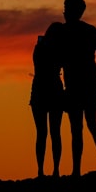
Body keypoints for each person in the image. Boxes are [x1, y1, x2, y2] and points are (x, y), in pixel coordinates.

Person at [58, 0, 96, 175]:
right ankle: (80, 170)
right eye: (65, 8)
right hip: (78, 86)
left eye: (67, 9)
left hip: (84, 86)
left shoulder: (77, 32)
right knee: (83, 126)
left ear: (76, 11)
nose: (64, 12)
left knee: (85, 125)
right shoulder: (81, 31)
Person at [30, 21, 64, 178]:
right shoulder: (54, 49)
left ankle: (43, 171)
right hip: (50, 89)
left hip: (40, 90)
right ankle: (51, 170)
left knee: (43, 133)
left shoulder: (39, 47)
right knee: (52, 133)